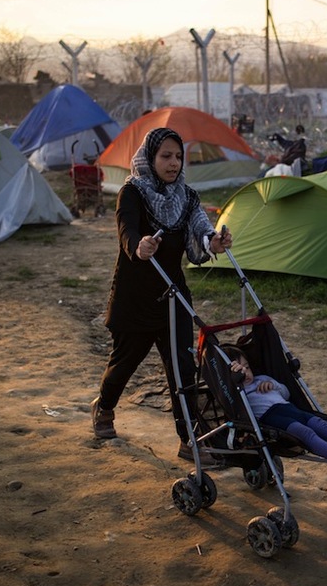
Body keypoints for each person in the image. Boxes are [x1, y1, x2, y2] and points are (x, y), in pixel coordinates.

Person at [91, 127, 232, 462]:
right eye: (165, 156)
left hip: (174, 297)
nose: (173, 163)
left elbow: (201, 229)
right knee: (125, 363)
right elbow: (127, 229)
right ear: (150, 157)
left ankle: (190, 439)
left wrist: (213, 242)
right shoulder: (132, 192)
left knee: (183, 368)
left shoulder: (187, 196)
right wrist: (138, 246)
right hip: (135, 296)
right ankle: (105, 407)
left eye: (178, 156)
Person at [226, 348, 327, 466]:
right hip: (271, 418)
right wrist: (234, 380)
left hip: (289, 407)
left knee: (322, 425)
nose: (245, 373)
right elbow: (236, 405)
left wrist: (273, 385)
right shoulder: (238, 392)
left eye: (247, 367)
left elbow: (286, 393)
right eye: (239, 370)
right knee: (305, 432)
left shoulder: (262, 379)